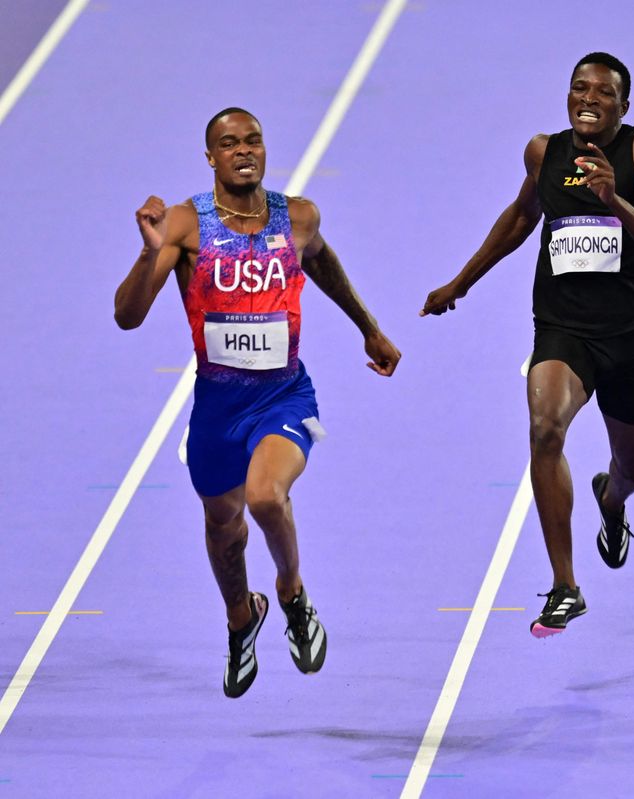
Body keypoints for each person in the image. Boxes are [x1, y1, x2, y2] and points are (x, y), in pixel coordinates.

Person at [114, 108, 401, 698]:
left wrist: (367, 327)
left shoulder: (296, 216)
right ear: (211, 157)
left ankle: (293, 595)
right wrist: (149, 255)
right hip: (218, 410)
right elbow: (127, 317)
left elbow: (319, 259)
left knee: (268, 495)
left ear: (264, 149)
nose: (243, 151)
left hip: (284, 397)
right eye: (228, 143)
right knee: (223, 528)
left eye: (253, 141)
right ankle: (242, 619)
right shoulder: (182, 225)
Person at [421, 52, 634, 638]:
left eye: (603, 92)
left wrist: (615, 199)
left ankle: (612, 501)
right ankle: (566, 585)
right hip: (562, 329)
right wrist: (459, 282)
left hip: (631, 336)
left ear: (624, 106)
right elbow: (520, 217)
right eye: (578, 88)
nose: (588, 98)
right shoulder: (545, 152)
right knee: (545, 427)